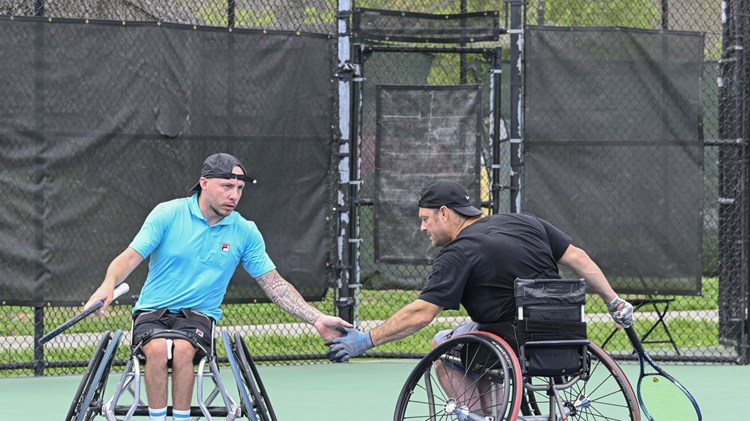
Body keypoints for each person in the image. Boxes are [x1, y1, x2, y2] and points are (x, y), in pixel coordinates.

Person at [85, 153, 350, 421]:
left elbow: (274, 284)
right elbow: (129, 257)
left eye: (239, 189)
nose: (234, 195)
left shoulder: (245, 232)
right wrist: (108, 284)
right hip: (152, 312)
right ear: (204, 183)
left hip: (198, 317)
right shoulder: (167, 214)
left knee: (182, 349)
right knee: (156, 349)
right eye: (227, 186)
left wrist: (316, 318)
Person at [326, 179, 634, 364]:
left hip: (511, 341)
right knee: (475, 332)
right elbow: (578, 257)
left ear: (444, 213)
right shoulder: (526, 221)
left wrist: (366, 339)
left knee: (441, 346)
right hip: (562, 336)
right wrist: (614, 302)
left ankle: (483, 415)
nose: (422, 228)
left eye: (425, 219)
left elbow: (421, 313)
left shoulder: (457, 253)